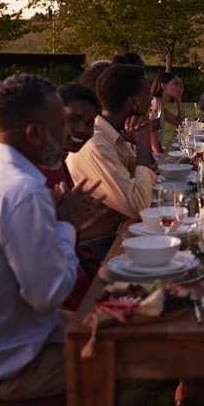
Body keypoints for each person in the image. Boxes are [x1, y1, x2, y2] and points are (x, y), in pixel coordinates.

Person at [0, 74, 153, 406]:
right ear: (34, 133)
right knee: (146, 359)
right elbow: (49, 295)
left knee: (123, 321)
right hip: (9, 365)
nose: (69, 132)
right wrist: (67, 226)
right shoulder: (23, 193)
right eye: (60, 123)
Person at [66, 64, 157, 260]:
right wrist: (143, 141)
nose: (151, 100)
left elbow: (148, 175)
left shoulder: (113, 133)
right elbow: (138, 205)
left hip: (119, 233)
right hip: (96, 248)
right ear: (132, 102)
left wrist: (141, 144)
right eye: (147, 95)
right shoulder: (96, 143)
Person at [37, 82, 101, 310]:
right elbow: (45, 265)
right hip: (51, 305)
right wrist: (96, 297)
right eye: (72, 120)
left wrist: (91, 265)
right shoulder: (35, 176)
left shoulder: (58, 163)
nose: (82, 130)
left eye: (89, 123)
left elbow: (67, 245)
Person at [149, 72, 186, 153]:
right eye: (176, 84)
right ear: (163, 86)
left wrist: (178, 98)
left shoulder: (161, 106)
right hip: (148, 157)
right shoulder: (154, 106)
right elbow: (154, 142)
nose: (179, 88)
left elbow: (180, 124)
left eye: (180, 85)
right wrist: (163, 160)